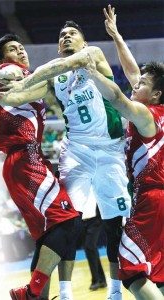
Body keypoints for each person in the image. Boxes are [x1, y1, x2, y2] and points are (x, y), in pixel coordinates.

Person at [0, 20, 132, 300]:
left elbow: (42, 74)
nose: (67, 37)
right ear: (58, 46)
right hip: (76, 151)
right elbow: (22, 93)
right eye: (62, 35)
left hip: (110, 150)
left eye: (72, 34)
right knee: (68, 222)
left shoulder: (92, 55)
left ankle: (115, 292)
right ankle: (65, 293)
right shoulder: (54, 78)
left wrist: (22, 78)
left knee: (114, 224)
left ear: (83, 42)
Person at [0, 33, 86, 300]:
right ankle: (33, 290)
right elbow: (12, 75)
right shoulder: (10, 71)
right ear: (1, 60)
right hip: (28, 159)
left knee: (46, 235)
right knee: (69, 221)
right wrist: (7, 75)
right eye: (14, 49)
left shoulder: (16, 78)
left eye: (22, 47)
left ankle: (36, 297)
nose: (21, 51)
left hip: (20, 162)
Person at [85, 5, 164, 300]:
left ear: (155, 94)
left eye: (143, 84)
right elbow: (133, 72)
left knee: (130, 271)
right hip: (157, 199)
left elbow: (118, 97)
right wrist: (117, 36)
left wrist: (93, 73)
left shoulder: (145, 115)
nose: (136, 83)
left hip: (151, 199)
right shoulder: (155, 108)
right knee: (157, 275)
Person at [81, 188, 107, 291]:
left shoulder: (93, 181)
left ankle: (95, 280)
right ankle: (102, 280)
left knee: (89, 247)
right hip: (82, 221)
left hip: (95, 220)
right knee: (91, 249)